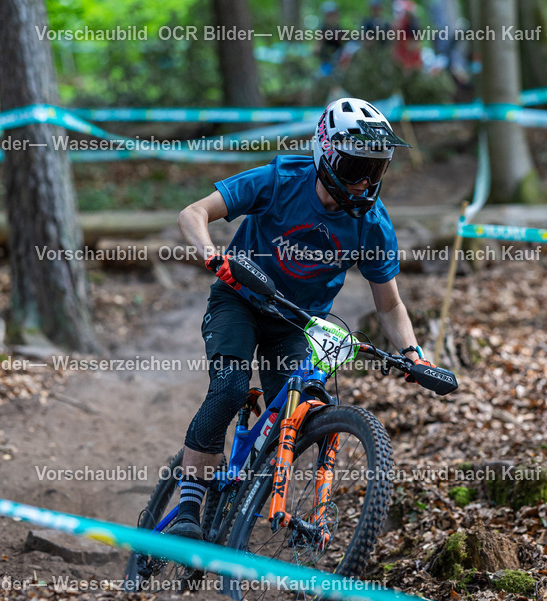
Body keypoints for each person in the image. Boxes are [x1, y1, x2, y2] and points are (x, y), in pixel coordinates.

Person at [169, 97, 437, 540]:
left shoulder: (372, 223)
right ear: (326, 154)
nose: (364, 183)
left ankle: (269, 502)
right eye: (355, 169)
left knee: (300, 410)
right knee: (232, 387)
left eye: (377, 170)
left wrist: (412, 353)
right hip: (240, 298)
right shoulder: (281, 180)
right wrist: (213, 256)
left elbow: (389, 304)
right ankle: (187, 509)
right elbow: (192, 213)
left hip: (296, 322)